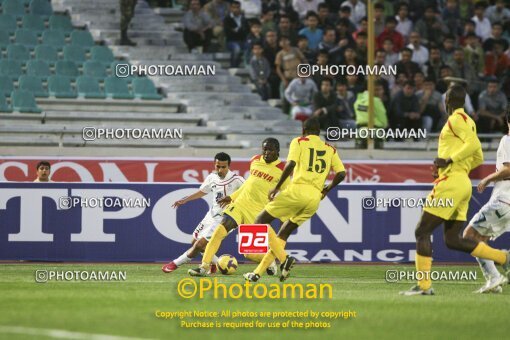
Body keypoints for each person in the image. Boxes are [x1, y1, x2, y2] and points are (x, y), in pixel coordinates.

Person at [400, 84, 510, 296]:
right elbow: (477, 154)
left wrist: (449, 160)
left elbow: (472, 144)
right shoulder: (470, 121)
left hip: (450, 182)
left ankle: (424, 286)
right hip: (463, 182)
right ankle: (503, 258)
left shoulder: (455, 120)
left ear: (447, 101)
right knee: (453, 240)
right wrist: (459, 166)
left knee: (421, 232)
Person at [243, 118, 346, 282]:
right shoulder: (330, 149)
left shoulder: (299, 141)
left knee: (260, 220)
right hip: (314, 198)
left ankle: (284, 259)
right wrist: (327, 189)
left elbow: (290, 164)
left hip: (297, 190)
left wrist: (277, 187)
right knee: (282, 234)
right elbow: (341, 174)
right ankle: (257, 273)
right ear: (319, 131)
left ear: (303, 129)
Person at [188, 138, 289, 277]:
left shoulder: (282, 170)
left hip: (256, 213)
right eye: (264, 149)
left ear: (277, 151)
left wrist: (283, 215)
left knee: (248, 254)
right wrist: (232, 197)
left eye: (270, 150)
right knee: (219, 232)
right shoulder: (255, 160)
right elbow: (249, 184)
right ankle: (204, 267)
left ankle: (269, 261)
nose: (266, 153)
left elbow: (286, 194)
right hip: (240, 204)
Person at [162, 153, 246, 273]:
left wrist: (234, 200)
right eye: (218, 166)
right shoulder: (212, 177)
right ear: (214, 164)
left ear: (228, 166)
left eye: (223, 167)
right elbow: (202, 192)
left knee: (199, 245)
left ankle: (175, 263)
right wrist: (185, 199)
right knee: (194, 241)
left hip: (225, 219)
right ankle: (215, 263)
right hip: (211, 215)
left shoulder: (237, 180)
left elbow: (248, 194)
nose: (220, 169)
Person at [462, 110, 510, 293]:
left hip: (503, 201)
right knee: (480, 239)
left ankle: (502, 264)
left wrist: (487, 179)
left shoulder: (507, 140)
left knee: (468, 236)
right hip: (507, 205)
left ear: (507, 120)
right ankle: (493, 280)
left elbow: (508, 170)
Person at [224, 1, 249, 67]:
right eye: (234, 7)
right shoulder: (227, 19)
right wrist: (238, 31)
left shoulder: (243, 19)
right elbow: (228, 33)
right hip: (231, 41)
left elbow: (246, 31)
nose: (236, 9)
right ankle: (233, 66)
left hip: (242, 40)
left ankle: (246, 65)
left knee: (249, 47)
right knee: (237, 49)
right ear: (230, 8)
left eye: (237, 7)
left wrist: (236, 31)